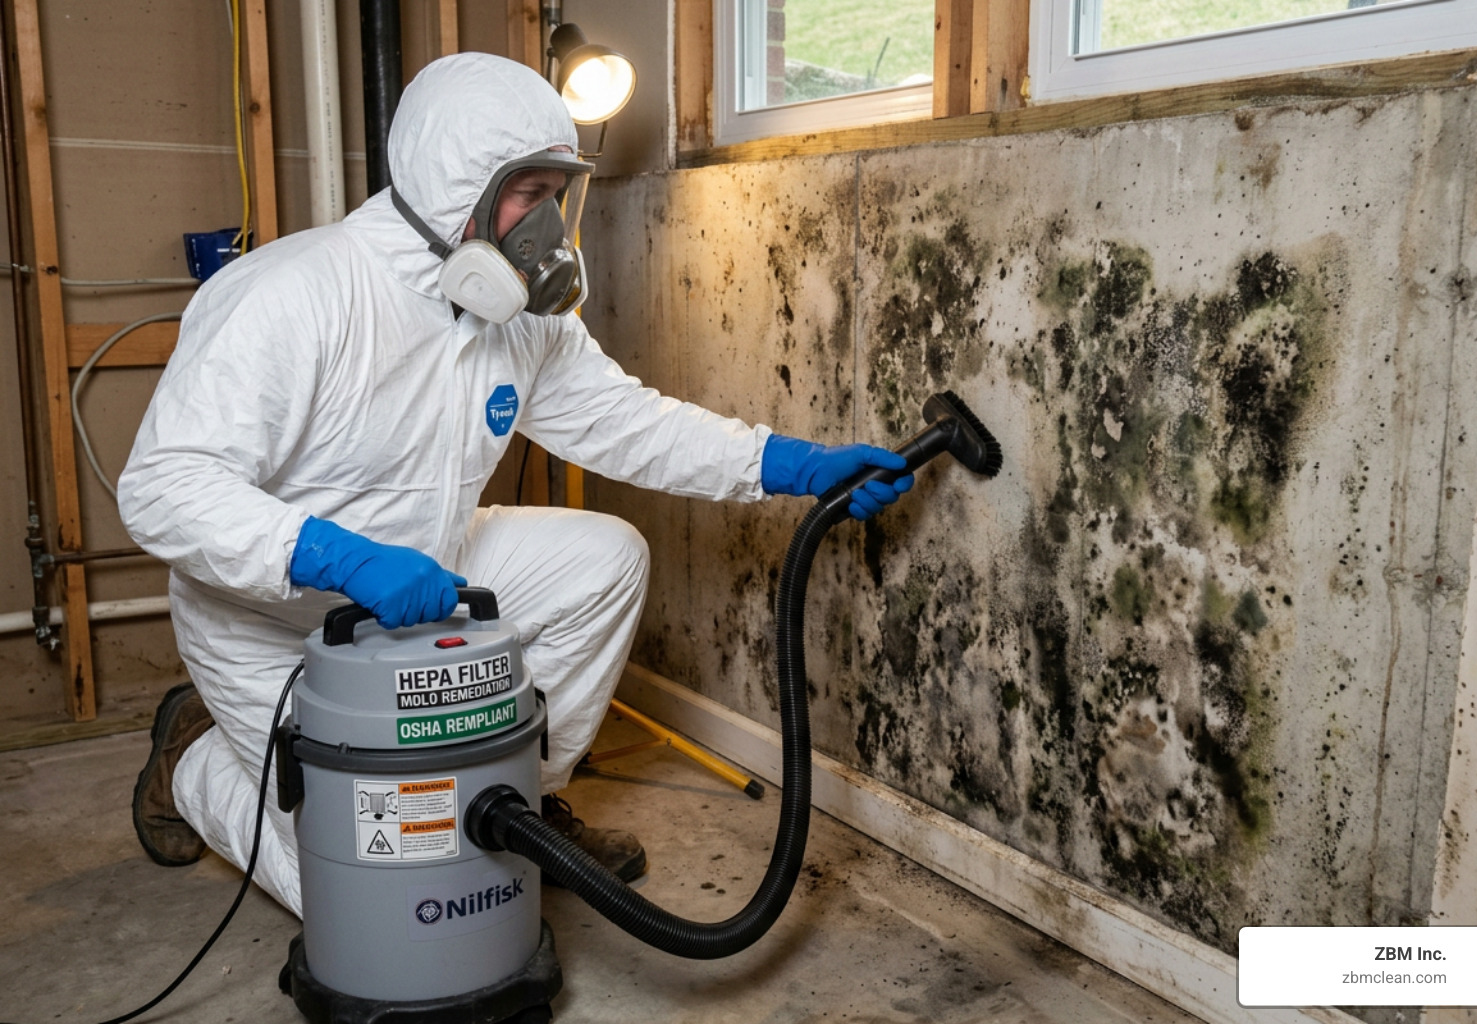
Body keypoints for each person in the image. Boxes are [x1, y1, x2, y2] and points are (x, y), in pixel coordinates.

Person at [117, 52, 912, 918]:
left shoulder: (519, 318)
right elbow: (163, 486)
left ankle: (520, 802)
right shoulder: (295, 295)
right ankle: (192, 762)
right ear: (450, 183)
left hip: (428, 575)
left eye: (555, 195)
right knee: (366, 894)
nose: (549, 229)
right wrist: (332, 557)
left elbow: (626, 422)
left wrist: (789, 464)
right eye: (527, 195)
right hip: (265, 621)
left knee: (604, 560)